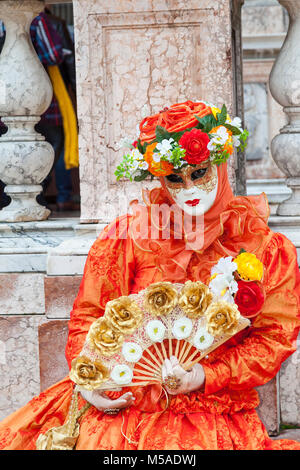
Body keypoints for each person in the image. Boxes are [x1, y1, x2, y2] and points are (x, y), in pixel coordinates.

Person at [0, 100, 299, 450]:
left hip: (209, 409)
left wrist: (206, 374)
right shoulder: (130, 236)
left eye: (198, 172)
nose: (188, 188)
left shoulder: (262, 246)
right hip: (123, 401)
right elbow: (91, 314)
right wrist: (92, 382)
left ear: (218, 164)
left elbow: (274, 337)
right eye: (174, 177)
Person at [0, 9, 78, 212]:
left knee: (11, 142)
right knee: (51, 145)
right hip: (38, 99)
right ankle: (43, 195)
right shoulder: (36, 17)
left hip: (6, 99)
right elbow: (53, 55)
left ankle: (11, 201)